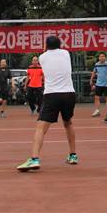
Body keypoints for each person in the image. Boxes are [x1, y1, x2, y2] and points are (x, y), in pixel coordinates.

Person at [16, 36, 78, 172]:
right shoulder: (66, 53)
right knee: (68, 123)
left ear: (46, 45)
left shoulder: (42, 57)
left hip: (52, 94)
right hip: (69, 93)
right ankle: (73, 155)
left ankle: (34, 159)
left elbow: (46, 56)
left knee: (41, 127)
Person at [90, 53, 107, 117]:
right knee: (96, 97)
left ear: (105, 57)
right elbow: (94, 72)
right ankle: (97, 111)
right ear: (99, 58)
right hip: (98, 84)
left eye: (103, 56)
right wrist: (91, 79)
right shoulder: (97, 64)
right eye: (100, 56)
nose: (101, 57)